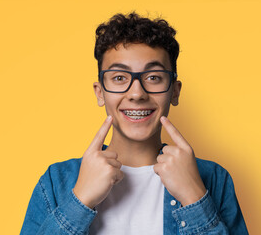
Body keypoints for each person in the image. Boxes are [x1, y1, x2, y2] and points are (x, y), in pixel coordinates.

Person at [19, 12, 248, 235]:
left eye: (153, 77)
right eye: (119, 78)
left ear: (175, 92)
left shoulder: (214, 179)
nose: (137, 93)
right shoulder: (57, 180)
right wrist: (79, 201)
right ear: (100, 93)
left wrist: (194, 199)